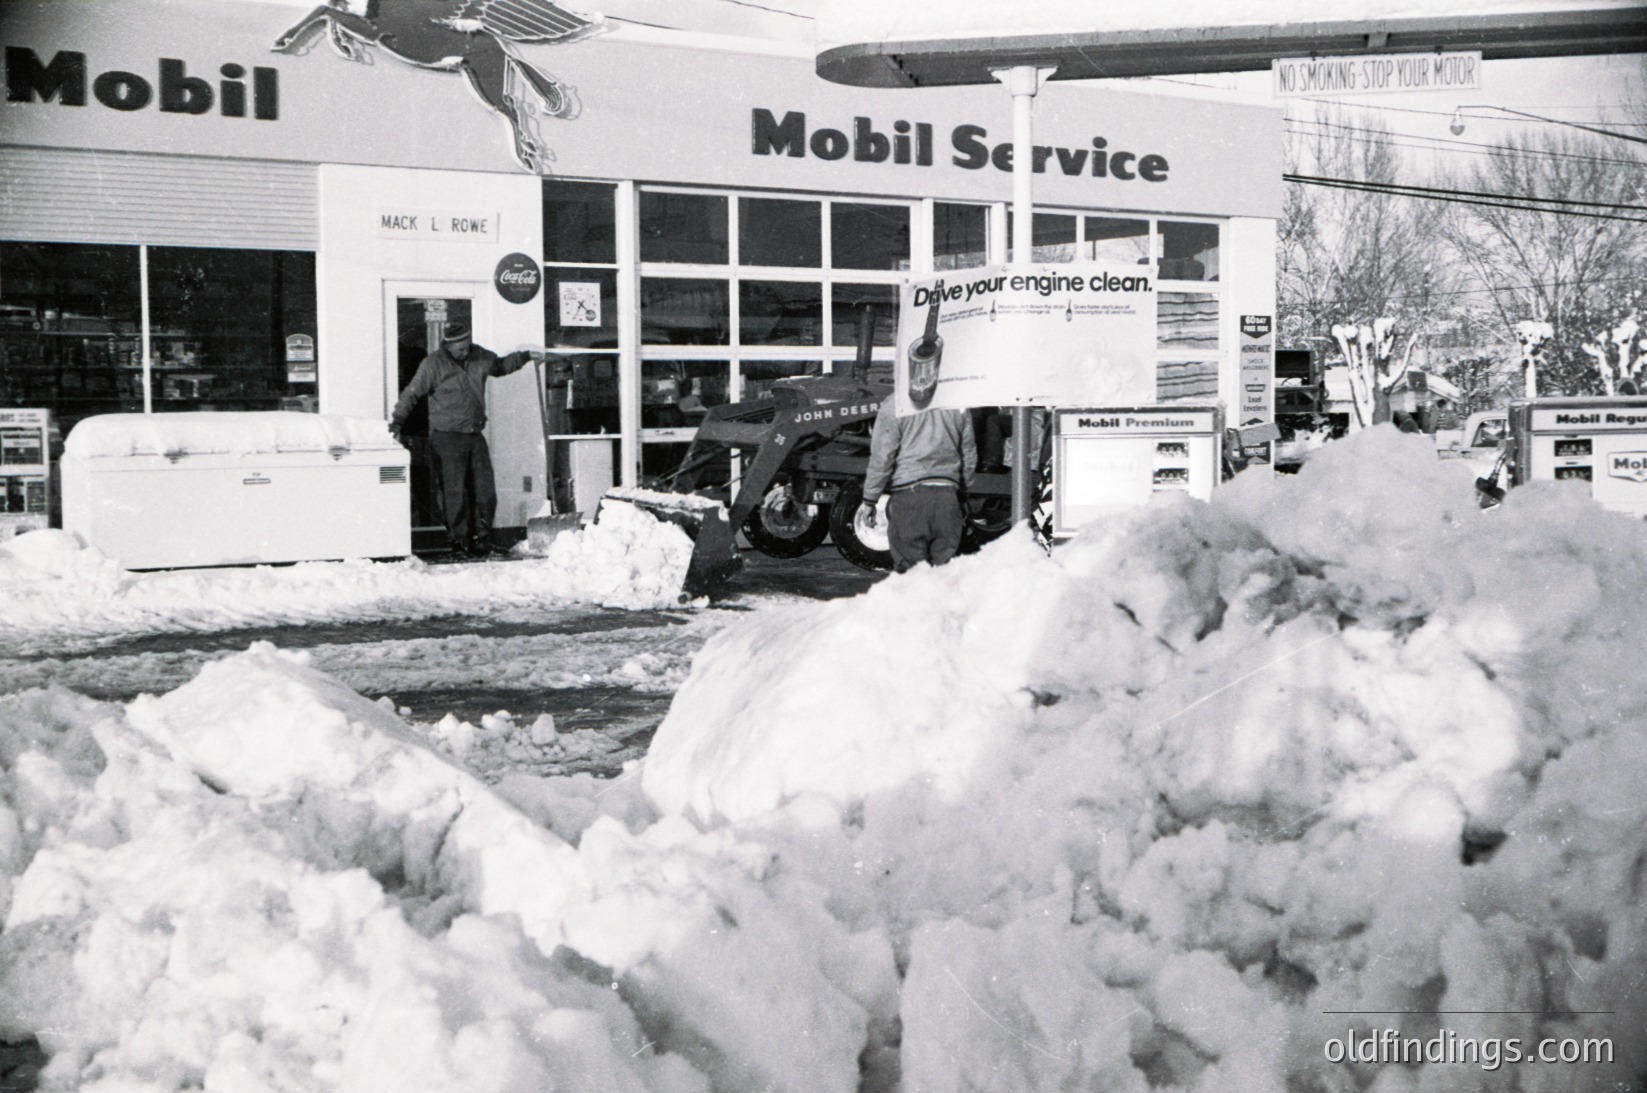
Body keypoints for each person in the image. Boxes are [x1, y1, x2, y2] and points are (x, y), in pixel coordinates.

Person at [390, 324, 542, 556]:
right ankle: (459, 541)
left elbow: (500, 366)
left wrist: (526, 357)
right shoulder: (433, 364)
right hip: (446, 438)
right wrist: (397, 422)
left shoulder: (479, 355)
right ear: (447, 344)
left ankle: (482, 540)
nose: (463, 352)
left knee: (485, 490)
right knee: (454, 492)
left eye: (465, 347)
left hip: (474, 435)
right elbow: (412, 393)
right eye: (458, 349)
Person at [859, 394, 976, 572]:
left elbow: (882, 457)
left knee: (911, 578)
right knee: (944, 576)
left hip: (909, 499)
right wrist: (962, 496)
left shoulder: (894, 403)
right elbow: (968, 454)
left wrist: (870, 499)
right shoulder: (956, 402)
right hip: (948, 498)